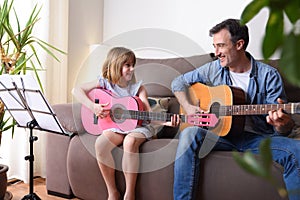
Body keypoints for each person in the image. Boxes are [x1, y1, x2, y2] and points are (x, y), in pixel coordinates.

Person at [171, 18, 300, 200]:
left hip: (258, 139)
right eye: (214, 46)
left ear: (239, 44)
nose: (216, 53)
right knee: (189, 133)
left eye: (221, 46)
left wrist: (281, 124)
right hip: (220, 136)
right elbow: (178, 82)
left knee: (297, 150)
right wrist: (188, 107)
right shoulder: (213, 69)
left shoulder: (268, 75)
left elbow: (282, 127)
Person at [72, 46, 180, 200]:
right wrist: (93, 107)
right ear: (116, 65)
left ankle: (130, 194)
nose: (132, 68)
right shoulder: (105, 84)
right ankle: (113, 192)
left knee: (129, 142)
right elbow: (76, 90)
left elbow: (147, 115)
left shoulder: (138, 88)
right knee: (100, 144)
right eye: (127, 65)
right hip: (115, 126)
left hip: (139, 127)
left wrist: (168, 122)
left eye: (132, 64)